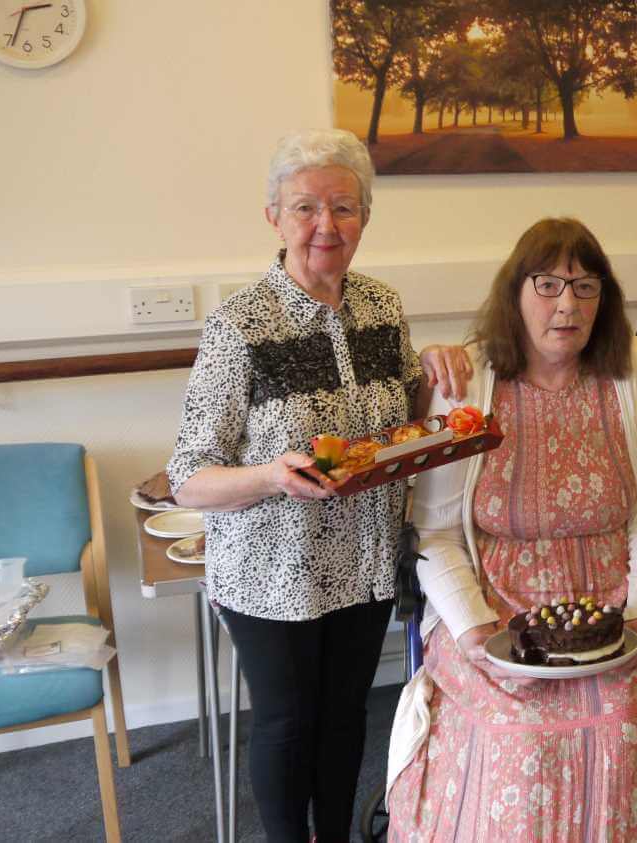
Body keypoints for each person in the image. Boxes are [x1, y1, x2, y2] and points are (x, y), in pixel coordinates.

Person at [167, 128, 470, 843]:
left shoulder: (381, 307)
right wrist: (272, 474)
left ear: (366, 217)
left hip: (364, 564)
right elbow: (188, 477)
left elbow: (407, 421)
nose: (325, 226)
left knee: (345, 716)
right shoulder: (239, 325)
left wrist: (429, 371)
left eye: (344, 207)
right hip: (273, 571)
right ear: (273, 216)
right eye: (305, 207)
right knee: (285, 721)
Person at [384, 218, 637, 841]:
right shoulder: (467, 379)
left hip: (612, 607)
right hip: (493, 604)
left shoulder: (636, 366)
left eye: (585, 286)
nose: (567, 304)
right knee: (507, 720)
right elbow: (435, 532)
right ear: (514, 293)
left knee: (623, 714)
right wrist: (472, 629)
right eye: (548, 285)